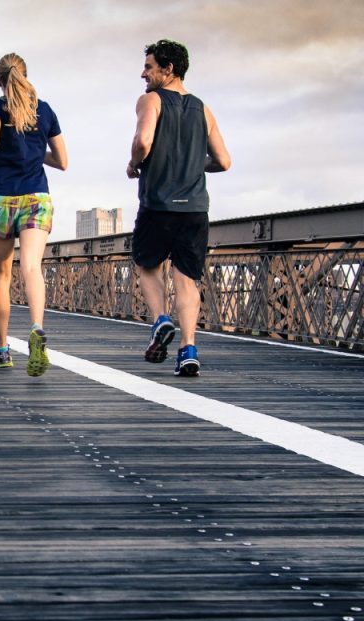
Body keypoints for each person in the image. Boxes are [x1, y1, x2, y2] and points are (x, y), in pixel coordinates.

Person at [127, 39, 231, 377]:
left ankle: (161, 320)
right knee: (187, 280)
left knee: (148, 266)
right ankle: (188, 350)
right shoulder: (203, 109)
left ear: (168, 69)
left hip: (158, 204)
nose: (143, 74)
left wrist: (134, 164)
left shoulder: (151, 100)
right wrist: (194, 165)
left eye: (149, 67)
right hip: (195, 209)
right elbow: (223, 161)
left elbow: (143, 141)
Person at [0, 53, 67, 374]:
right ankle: (36, 327)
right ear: (25, 75)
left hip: (0, 197)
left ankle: (3, 348)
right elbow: (62, 161)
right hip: (36, 196)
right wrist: (33, 151)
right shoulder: (45, 110)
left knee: (1, 275)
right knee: (32, 267)